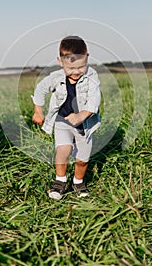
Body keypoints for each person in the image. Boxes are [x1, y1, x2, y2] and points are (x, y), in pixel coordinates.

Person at [31, 36, 101, 200]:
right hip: (62, 121)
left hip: (85, 125)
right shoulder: (55, 77)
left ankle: (78, 182)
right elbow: (40, 89)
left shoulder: (92, 76)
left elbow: (94, 99)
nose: (76, 72)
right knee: (64, 149)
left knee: (82, 159)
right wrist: (38, 111)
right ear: (60, 61)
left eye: (81, 66)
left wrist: (81, 115)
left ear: (87, 58)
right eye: (71, 68)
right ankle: (60, 181)